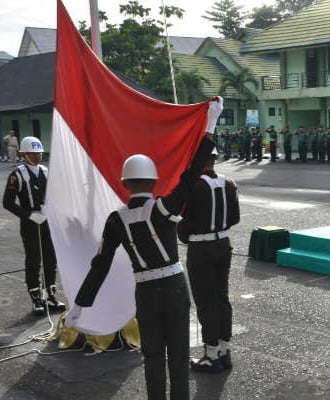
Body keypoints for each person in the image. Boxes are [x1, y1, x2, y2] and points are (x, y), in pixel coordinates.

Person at [69, 101, 221, 399]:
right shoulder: (163, 208)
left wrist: (80, 304)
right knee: (178, 356)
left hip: (146, 293)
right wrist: (211, 123)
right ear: (153, 181)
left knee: (152, 357)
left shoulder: (116, 220)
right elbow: (192, 173)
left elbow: (100, 264)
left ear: (125, 183)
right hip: (174, 287)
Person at [177, 147, 240, 373]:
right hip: (223, 243)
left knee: (206, 302)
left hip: (201, 248)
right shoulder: (229, 183)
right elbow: (235, 218)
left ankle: (211, 355)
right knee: (222, 298)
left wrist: (184, 233)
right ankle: (224, 349)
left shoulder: (193, 185)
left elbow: (184, 226)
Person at [3, 137, 66, 315]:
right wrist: (29, 215)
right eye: (33, 154)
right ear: (24, 154)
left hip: (47, 220)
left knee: (50, 259)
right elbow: (7, 202)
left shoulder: (45, 171)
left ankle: (50, 294)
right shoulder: (17, 174)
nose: (37, 156)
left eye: (39, 153)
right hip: (30, 223)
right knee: (33, 260)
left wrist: (51, 209)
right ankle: (36, 298)